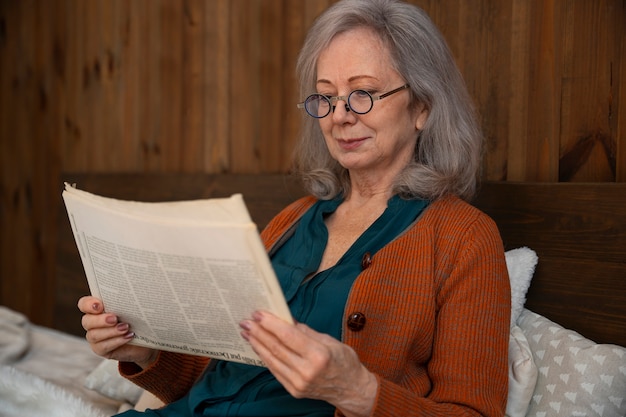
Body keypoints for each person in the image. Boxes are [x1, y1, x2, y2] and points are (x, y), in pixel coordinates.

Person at [78, 0, 511, 416]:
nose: (339, 116)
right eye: (325, 97)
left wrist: (358, 392)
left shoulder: (463, 238)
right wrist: (145, 351)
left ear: (422, 107)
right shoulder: (294, 219)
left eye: (362, 94)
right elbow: (217, 378)